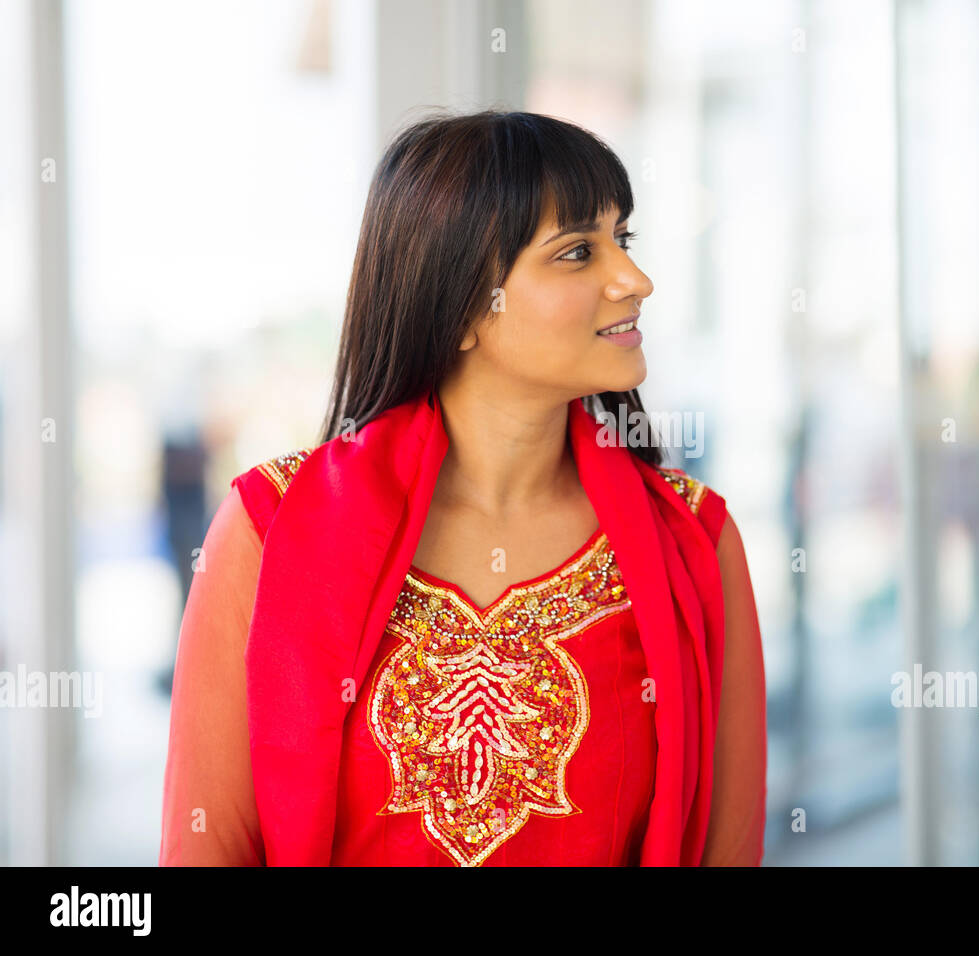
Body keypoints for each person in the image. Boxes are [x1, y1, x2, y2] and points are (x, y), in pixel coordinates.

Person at [158, 109, 766, 866]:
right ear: (467, 307)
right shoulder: (266, 530)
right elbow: (207, 849)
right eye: (578, 252)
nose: (634, 280)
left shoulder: (694, 541)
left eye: (624, 240)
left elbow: (727, 850)